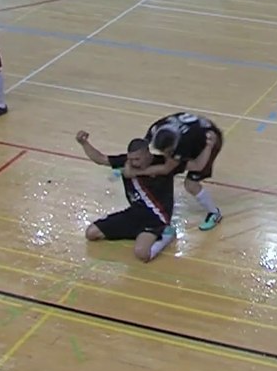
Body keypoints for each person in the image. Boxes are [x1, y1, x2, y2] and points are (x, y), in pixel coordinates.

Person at [75, 133, 177, 262]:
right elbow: (101, 159)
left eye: (137, 159)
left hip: (156, 217)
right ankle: (139, 234)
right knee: (91, 233)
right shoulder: (127, 162)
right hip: (134, 213)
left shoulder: (163, 163)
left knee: (142, 254)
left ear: (147, 154)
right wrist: (84, 143)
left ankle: (167, 234)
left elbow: (174, 166)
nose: (133, 162)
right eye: (131, 159)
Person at [127, 112, 224, 231]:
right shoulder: (154, 130)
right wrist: (130, 164)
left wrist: (136, 172)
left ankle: (214, 213)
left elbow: (196, 166)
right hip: (196, 131)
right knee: (159, 165)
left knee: (190, 184)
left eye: (169, 152)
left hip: (210, 141)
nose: (167, 155)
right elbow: (139, 149)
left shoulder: (184, 143)